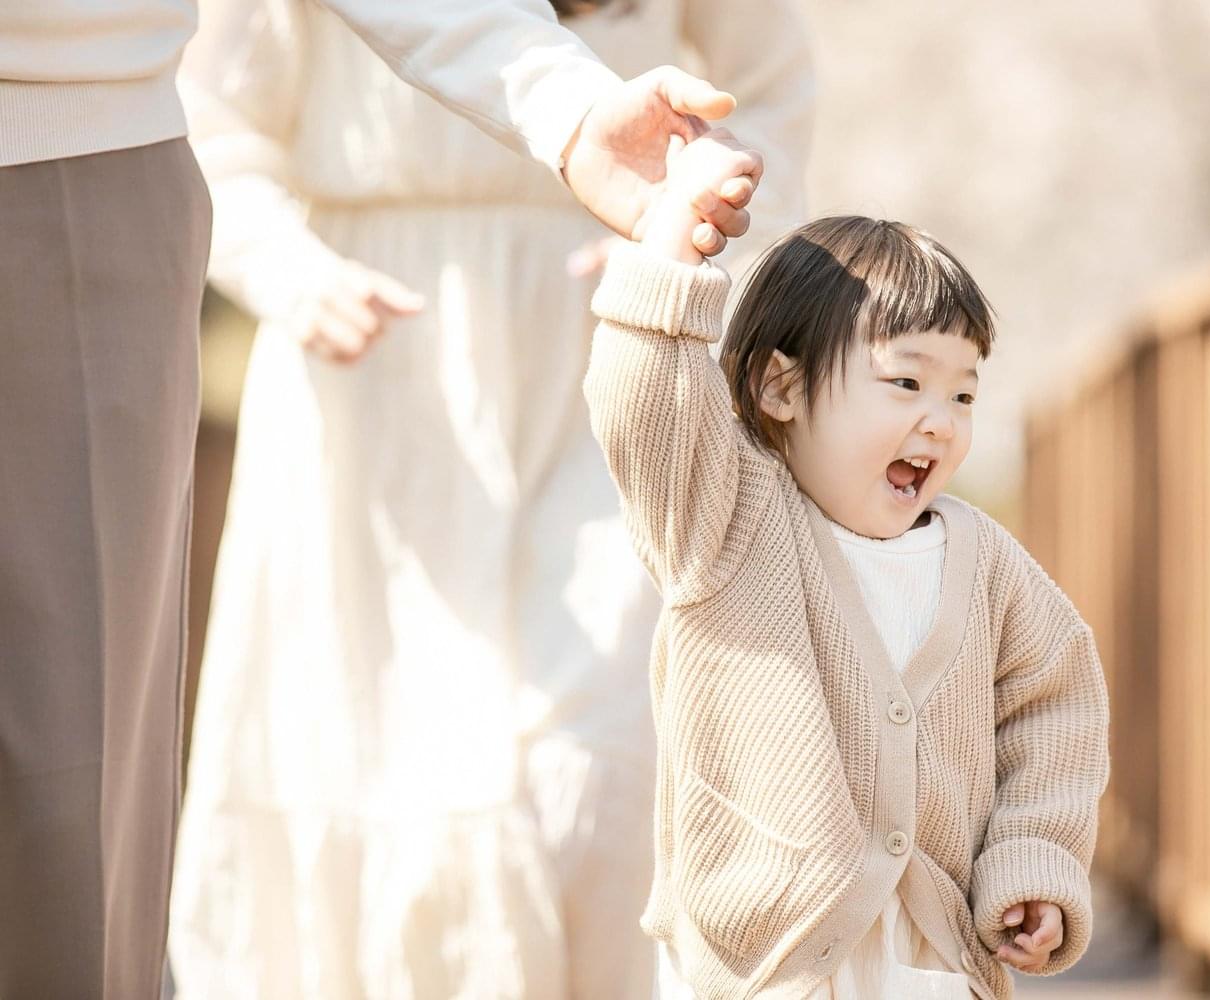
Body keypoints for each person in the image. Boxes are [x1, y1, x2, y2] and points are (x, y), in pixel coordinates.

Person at [0, 0, 764, 994]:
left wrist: (675, 230)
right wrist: (289, 270)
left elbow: (770, 91)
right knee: (369, 743)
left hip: (596, 362)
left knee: (592, 750)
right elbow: (221, 118)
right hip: (377, 383)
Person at [582, 133, 1112, 999]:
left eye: (964, 394)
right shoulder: (726, 523)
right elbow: (648, 411)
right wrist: (669, 244)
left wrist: (1032, 860)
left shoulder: (984, 564)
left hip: (934, 965)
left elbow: (1054, 704)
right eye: (907, 383)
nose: (941, 421)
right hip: (765, 966)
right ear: (781, 388)